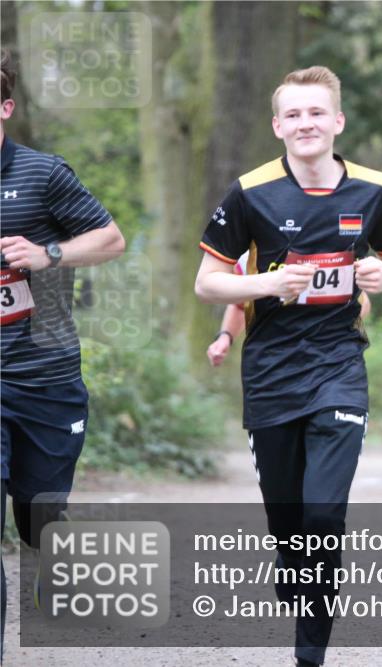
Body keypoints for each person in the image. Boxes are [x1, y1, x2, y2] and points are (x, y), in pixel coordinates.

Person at [194, 66, 382, 667]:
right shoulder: (250, 192)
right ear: (277, 126)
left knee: (323, 513)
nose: (305, 123)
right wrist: (269, 281)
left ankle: (309, 653)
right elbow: (207, 282)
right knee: (289, 517)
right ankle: (295, 571)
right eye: (293, 114)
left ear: (337, 121)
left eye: (316, 113)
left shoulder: (372, 188)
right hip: (269, 372)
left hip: (340, 364)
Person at [0, 49, 126, 657]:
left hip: (43, 374)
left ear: (5, 108)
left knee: (38, 513)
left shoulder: (43, 174)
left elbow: (111, 238)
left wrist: (48, 254)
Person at [207, 251, 371, 367]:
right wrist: (225, 337)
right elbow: (241, 305)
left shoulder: (327, 246)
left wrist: (328, 331)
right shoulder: (250, 256)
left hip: (329, 361)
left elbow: (362, 304)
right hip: (272, 362)